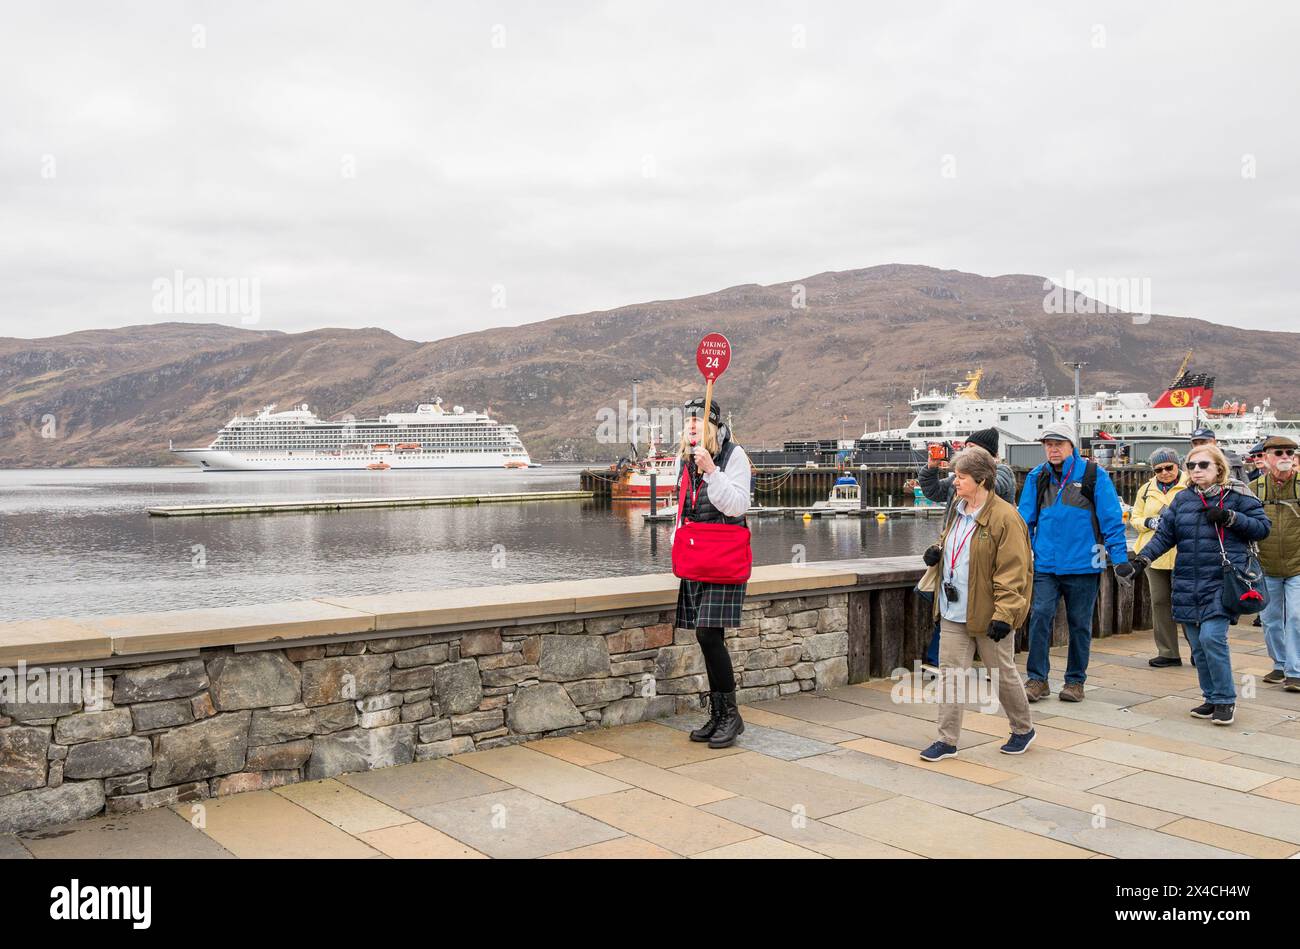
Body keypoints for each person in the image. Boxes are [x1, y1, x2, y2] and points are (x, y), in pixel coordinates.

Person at [1128, 444, 1271, 725]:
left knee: (1211, 639)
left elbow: (1262, 528)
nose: (1196, 470)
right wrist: (1141, 560)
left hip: (1222, 580)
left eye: (1203, 465)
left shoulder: (1238, 494)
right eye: (1191, 466)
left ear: (1219, 467)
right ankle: (1211, 697)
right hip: (1188, 581)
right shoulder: (1182, 501)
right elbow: (1164, 536)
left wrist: (1231, 518)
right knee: (1198, 645)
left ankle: (1226, 699)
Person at [919, 446, 1035, 761]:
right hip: (953, 611)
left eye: (961, 477)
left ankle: (1023, 728)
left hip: (990, 613)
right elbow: (954, 543)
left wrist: (1005, 614)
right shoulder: (958, 507)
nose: (955, 482)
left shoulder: (1006, 518)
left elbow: (1013, 571)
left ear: (982, 480)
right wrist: (936, 550)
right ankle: (946, 740)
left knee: (1002, 673)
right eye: (955, 476)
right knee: (949, 675)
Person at [1018, 421, 1130, 702]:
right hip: (1045, 565)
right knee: (1039, 618)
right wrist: (1021, 556)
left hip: (1084, 565)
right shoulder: (1037, 477)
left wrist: (1119, 560)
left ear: (1072, 446)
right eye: (1048, 444)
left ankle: (1075, 681)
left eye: (1058, 443)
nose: (1053, 449)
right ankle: (1037, 680)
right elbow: (1023, 521)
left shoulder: (1094, 475)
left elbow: (1111, 521)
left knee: (1080, 624)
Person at [672, 396, 752, 748]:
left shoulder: (734, 456)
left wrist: (712, 471)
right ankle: (719, 714)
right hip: (697, 557)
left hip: (723, 556)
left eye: (699, 420)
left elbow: (736, 505)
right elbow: (685, 508)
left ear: (715, 425)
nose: (692, 425)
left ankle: (730, 715)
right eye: (688, 420)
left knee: (707, 633)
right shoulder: (685, 461)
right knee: (707, 636)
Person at [916, 427, 1018, 674]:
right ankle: (941, 662)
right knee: (950, 606)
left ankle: (997, 670)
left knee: (982, 610)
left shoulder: (1001, 472)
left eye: (973, 449)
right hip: (954, 554)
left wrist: (974, 474)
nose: (966, 451)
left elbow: (997, 488)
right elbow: (933, 491)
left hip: (985, 556)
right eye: (966, 448)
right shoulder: (962, 477)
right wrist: (931, 467)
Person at [1130, 449, 1189, 667]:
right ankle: (1168, 652)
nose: (1164, 472)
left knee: (1188, 602)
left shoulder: (1192, 485)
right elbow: (1134, 518)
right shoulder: (1146, 489)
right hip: (1153, 557)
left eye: (1168, 467)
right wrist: (1149, 522)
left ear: (1178, 466)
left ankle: (1198, 651)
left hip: (1184, 554)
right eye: (1158, 469)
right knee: (1159, 602)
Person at [1252, 435, 1300, 691]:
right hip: (1266, 565)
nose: (1285, 457)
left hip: (1298, 565)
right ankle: (1280, 664)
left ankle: (1295, 670)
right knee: (1270, 619)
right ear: (1266, 457)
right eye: (1279, 452)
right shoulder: (1254, 489)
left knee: (1295, 617)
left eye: (1289, 453)